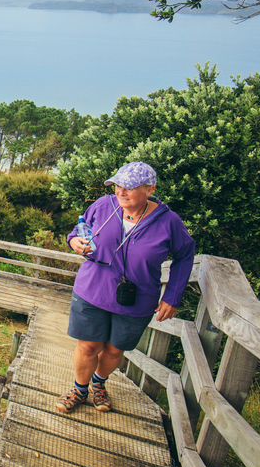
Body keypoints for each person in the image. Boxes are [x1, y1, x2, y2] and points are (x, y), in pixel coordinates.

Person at [57, 161, 195, 415]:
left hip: (137, 298)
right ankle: (80, 389)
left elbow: (185, 254)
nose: (120, 192)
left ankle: (99, 383)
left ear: (150, 190)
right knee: (88, 346)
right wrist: (74, 240)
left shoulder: (168, 221)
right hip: (92, 290)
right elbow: (80, 228)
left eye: (129, 187)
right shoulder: (103, 205)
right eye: (118, 185)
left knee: (113, 349)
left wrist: (172, 296)